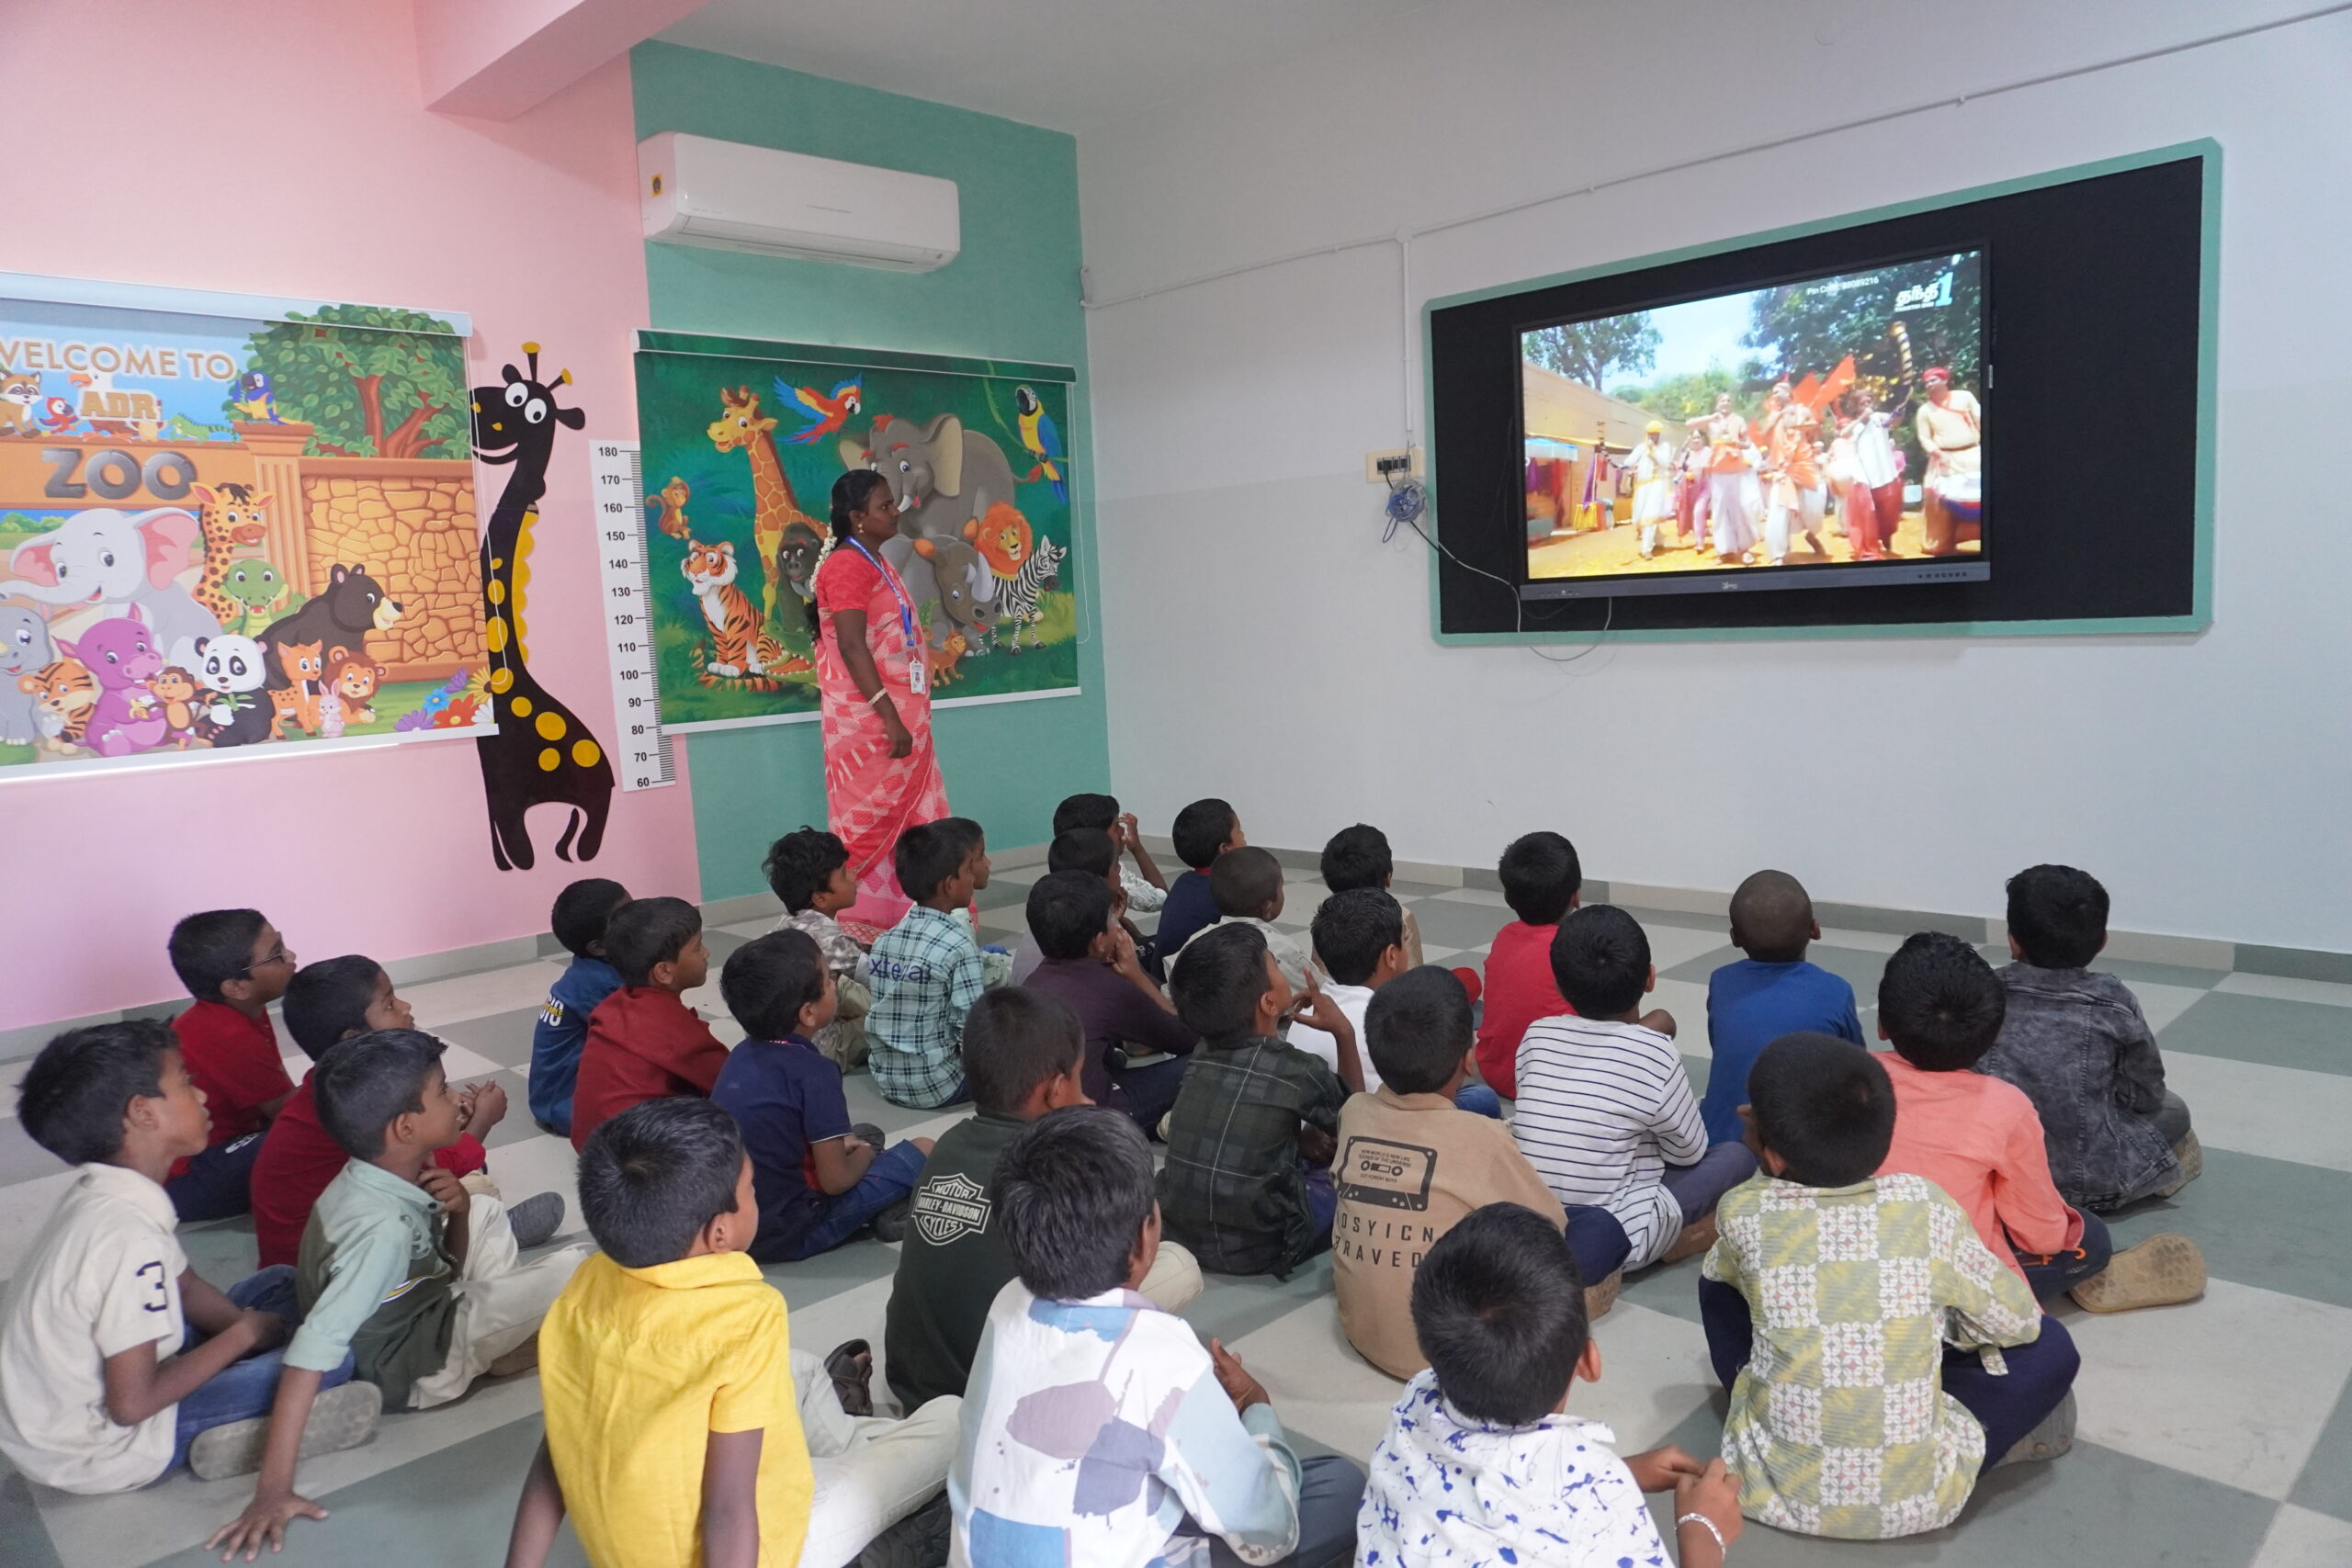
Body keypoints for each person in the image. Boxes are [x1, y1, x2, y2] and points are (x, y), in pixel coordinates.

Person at [508, 1098, 962, 1568]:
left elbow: (555, 1449)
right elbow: (727, 1510)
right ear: (720, 1232)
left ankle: (855, 1455)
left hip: (641, 1539)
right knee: (952, 1416)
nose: (756, 1196)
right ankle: (875, 1521)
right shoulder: (747, 1317)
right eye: (751, 1188)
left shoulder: (586, 1284)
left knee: (803, 1369)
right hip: (764, 1546)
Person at [210, 1030, 590, 1558]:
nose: (455, 1098)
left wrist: (459, 1212)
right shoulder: (380, 1231)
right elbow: (309, 1354)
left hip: (426, 1305)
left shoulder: (378, 1175)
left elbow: (446, 1268)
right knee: (580, 1265)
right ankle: (496, 1346)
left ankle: (500, 1340)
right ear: (405, 1127)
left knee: (480, 1206)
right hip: (420, 1365)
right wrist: (273, 1490)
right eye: (442, 1091)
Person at [949, 1105, 1364, 1568]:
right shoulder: (1163, 1357)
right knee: (1340, 1486)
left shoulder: (1007, 1302)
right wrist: (1257, 1409)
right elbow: (1270, 1536)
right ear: (1145, 1238)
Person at [1701, 1033, 2075, 1540]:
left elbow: (1730, 1279)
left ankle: (1778, 1411)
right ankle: (1973, 1434)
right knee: (2052, 1346)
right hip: (1920, 1502)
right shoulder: (1924, 1205)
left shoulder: (1742, 1210)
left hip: (1764, 1487)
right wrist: (1949, 1332)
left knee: (1716, 1280)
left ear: (1773, 1152)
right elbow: (2018, 1324)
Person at [0, 1021, 379, 1492]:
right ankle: (236, 1435)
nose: (200, 1096)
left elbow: (185, 1286)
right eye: (185, 1081)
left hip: (88, 1391)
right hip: (103, 1445)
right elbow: (132, 1406)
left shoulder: (108, 1196)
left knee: (280, 1283)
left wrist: (249, 1333)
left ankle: (247, 1389)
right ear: (143, 1113)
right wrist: (243, 1335)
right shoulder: (126, 1239)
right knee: (332, 1360)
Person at [1356, 1204, 1743, 1568]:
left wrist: (1620, 1471)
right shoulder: (1606, 1503)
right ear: (1588, 1362)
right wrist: (1703, 1536)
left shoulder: (1418, 1396)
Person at [883, 988, 1204, 1412]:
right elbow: (1110, 1267)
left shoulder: (948, 1144)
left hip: (912, 1382)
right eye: (1078, 1077)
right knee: (1178, 1264)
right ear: (1054, 1090)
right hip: (1006, 1396)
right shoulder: (1061, 1168)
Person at [1875, 932, 2208, 1312]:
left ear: (1882, 1024)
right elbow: (2041, 1237)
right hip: (1954, 1288)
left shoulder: (1849, 1077)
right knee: (2090, 1236)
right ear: (1995, 1035)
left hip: (1851, 1267)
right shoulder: (2006, 1106)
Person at [1332, 969, 1632, 1381]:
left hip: (1363, 1333)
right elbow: (1552, 1227)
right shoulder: (1483, 1138)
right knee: (1600, 1228)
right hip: (1454, 1356)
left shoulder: (1353, 1113)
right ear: (1468, 1059)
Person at [253, 956, 563, 1271]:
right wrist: (482, 1121)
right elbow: (426, 1168)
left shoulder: (333, 1086)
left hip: (325, 1244)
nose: (405, 1006)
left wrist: (448, 1123)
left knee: (469, 1173)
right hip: (337, 1264)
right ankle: (488, 1237)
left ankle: (482, 1231)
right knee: (476, 1186)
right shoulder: (359, 1107)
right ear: (352, 1037)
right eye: (389, 1004)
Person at [1513, 906, 1756, 1271]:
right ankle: (1674, 1240)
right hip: (1617, 1237)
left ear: (1560, 985)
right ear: (1650, 978)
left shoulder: (1537, 1034)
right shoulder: (1654, 1052)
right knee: (1736, 1156)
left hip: (1530, 1227)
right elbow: (1689, 1153)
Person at [1979, 863, 2201, 1212]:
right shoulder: (2114, 1000)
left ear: (2012, 940)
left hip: (1996, 1177)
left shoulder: (1982, 991)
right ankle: (2155, 1174)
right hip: (2089, 1186)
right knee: (2174, 1109)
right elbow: (2146, 1094)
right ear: (2102, 942)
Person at [710, 930, 933, 1261]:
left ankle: (880, 1203)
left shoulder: (739, 1055)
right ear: (808, 1013)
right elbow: (835, 1182)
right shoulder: (815, 1072)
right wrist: (864, 1156)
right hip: (791, 1231)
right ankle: (886, 1213)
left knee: (865, 1133)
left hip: (736, 1223)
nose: (835, 984)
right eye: (829, 979)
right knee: (923, 1148)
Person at [1159, 923, 1361, 1279]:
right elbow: (1361, 1129)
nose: (1281, 969)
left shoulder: (1200, 1054)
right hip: (1264, 1248)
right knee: (1350, 1183)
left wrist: (1299, 1140)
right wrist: (1343, 1032)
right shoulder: (1298, 1069)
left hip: (1182, 1234)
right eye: (1275, 965)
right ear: (1268, 1002)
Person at [809, 468, 950, 933]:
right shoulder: (847, 565)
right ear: (858, 517)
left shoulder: (875, 561)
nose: (895, 511)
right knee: (870, 823)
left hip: (903, 717)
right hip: (871, 723)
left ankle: (909, 919)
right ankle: (862, 922)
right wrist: (890, 717)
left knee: (910, 822)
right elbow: (852, 646)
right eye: (884, 505)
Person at [1023, 870, 1198, 1130]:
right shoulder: (1110, 985)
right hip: (1098, 1118)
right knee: (1202, 1061)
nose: (1116, 925)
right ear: (1098, 941)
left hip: (1046, 1110)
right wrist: (1136, 975)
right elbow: (1186, 1038)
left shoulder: (1031, 982)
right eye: (1110, 918)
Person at [1699, 870, 1864, 1144]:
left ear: (1735, 937)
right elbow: (1856, 1067)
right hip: (1797, 1147)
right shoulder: (1836, 990)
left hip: (1716, 1142)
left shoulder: (1721, 981)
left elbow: (1721, 1043)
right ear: (1815, 929)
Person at [163, 908, 299, 1221]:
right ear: (236, 987)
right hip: (186, 1179)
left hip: (228, 1140)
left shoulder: (244, 1009)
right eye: (276, 953)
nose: (291, 956)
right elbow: (288, 1112)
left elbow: (279, 1090)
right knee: (308, 1139)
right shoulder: (229, 1033)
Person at [569, 897, 729, 1151]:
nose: (706, 953)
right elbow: (729, 1081)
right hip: (642, 1163)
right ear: (664, 971)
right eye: (698, 947)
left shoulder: (613, 1006)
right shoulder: (677, 1031)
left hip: (593, 1152)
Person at [866, 821, 993, 1109]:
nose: (973, 877)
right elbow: (970, 1027)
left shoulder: (884, 940)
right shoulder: (959, 946)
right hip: (940, 1086)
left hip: (887, 1081)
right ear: (950, 884)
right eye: (968, 871)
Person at [1474, 830, 1602, 1100]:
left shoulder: (1504, 936)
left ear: (1508, 897)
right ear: (1576, 896)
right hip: (1555, 1083)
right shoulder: (1576, 948)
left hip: (1496, 1073)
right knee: (1657, 1024)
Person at [764, 826, 875, 1068]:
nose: (853, 877)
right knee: (884, 1019)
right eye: (844, 875)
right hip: (818, 1051)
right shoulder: (831, 941)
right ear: (820, 898)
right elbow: (875, 977)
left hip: (777, 1042)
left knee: (839, 987)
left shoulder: (783, 926)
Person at [530, 879, 630, 1136]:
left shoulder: (590, 968)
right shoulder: (602, 986)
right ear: (599, 947)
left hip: (553, 1098)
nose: (640, 919)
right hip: (567, 1106)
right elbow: (644, 1040)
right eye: (627, 916)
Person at [1009, 827, 1149, 984]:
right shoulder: (1095, 930)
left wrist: (1115, 918)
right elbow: (1145, 985)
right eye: (1116, 866)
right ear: (1097, 880)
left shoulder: (1048, 916)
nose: (1119, 870)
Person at [1175, 844, 1314, 993]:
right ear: (1267, 908)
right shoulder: (1281, 949)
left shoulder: (1196, 940)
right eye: (1281, 887)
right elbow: (1319, 990)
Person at [1318, 822, 1424, 968]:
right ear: (1387, 878)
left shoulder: (1325, 918)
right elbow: (1414, 974)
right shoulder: (1401, 917)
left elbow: (1319, 973)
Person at [1055, 790, 1169, 914]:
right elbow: (1161, 899)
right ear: (1097, 839)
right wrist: (1137, 849)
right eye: (1116, 827)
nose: (1122, 830)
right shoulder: (1112, 876)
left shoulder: (1060, 872)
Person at [1157, 796, 1243, 956]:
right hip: (1185, 971)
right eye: (1239, 830)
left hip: (1161, 968)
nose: (1244, 836)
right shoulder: (1226, 894)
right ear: (1225, 848)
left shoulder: (1183, 881)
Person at [1915, 366, 1982, 555]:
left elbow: (1980, 419)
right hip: (1944, 460)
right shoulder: (1925, 410)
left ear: (1944, 380)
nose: (1929, 384)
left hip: (1974, 455)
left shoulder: (1964, 397)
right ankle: (1941, 542)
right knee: (1937, 500)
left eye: (1933, 380)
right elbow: (1924, 437)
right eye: (1926, 382)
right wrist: (1937, 453)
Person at [1699, 392, 1758, 563]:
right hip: (1717, 469)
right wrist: (1712, 417)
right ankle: (1725, 550)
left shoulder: (1738, 420)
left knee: (1739, 508)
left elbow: (1748, 443)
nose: (1726, 403)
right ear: (1717, 404)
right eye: (1722, 400)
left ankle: (1745, 548)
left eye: (1728, 400)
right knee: (1719, 510)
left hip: (1735, 468)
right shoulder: (1712, 421)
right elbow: (1690, 425)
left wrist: (1736, 443)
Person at [1629, 418, 1676, 559]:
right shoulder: (1641, 447)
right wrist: (1624, 467)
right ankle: (1659, 541)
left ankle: (1646, 549)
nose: (1653, 437)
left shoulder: (1664, 447)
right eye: (1651, 434)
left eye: (1656, 434)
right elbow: (1630, 461)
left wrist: (1653, 449)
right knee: (1641, 518)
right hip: (1642, 486)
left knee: (1648, 516)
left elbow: (1665, 463)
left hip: (1658, 484)